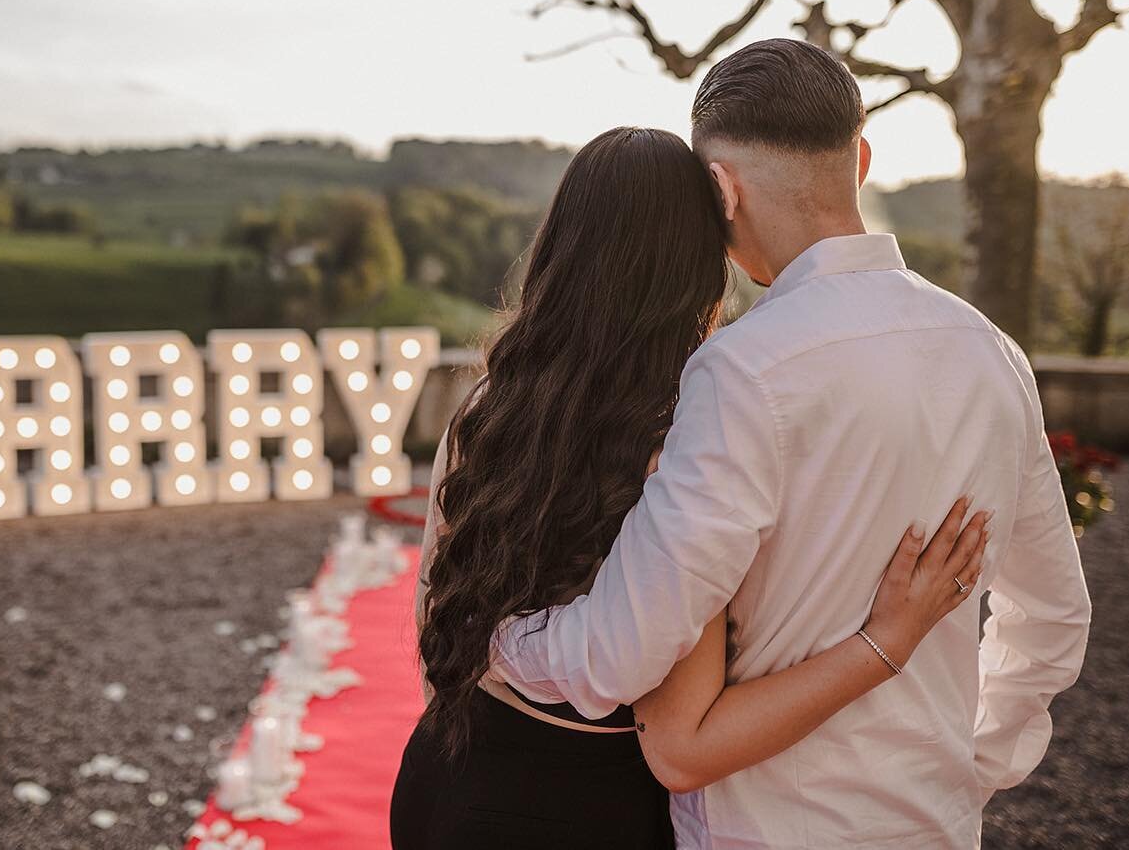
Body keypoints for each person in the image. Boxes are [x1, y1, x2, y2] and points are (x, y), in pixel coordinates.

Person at [489, 40, 1092, 848]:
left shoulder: (739, 372)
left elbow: (621, 652)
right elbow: (1053, 616)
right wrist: (970, 766)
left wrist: (497, 638)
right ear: (862, 160)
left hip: (767, 829)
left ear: (720, 188)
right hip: (939, 825)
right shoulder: (993, 352)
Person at [389, 124, 990, 850]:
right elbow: (637, 681)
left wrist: (483, 649)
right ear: (697, 260)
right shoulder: (691, 428)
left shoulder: (491, 401)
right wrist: (885, 638)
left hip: (444, 769)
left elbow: (433, 602)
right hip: (578, 805)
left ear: (560, 245)